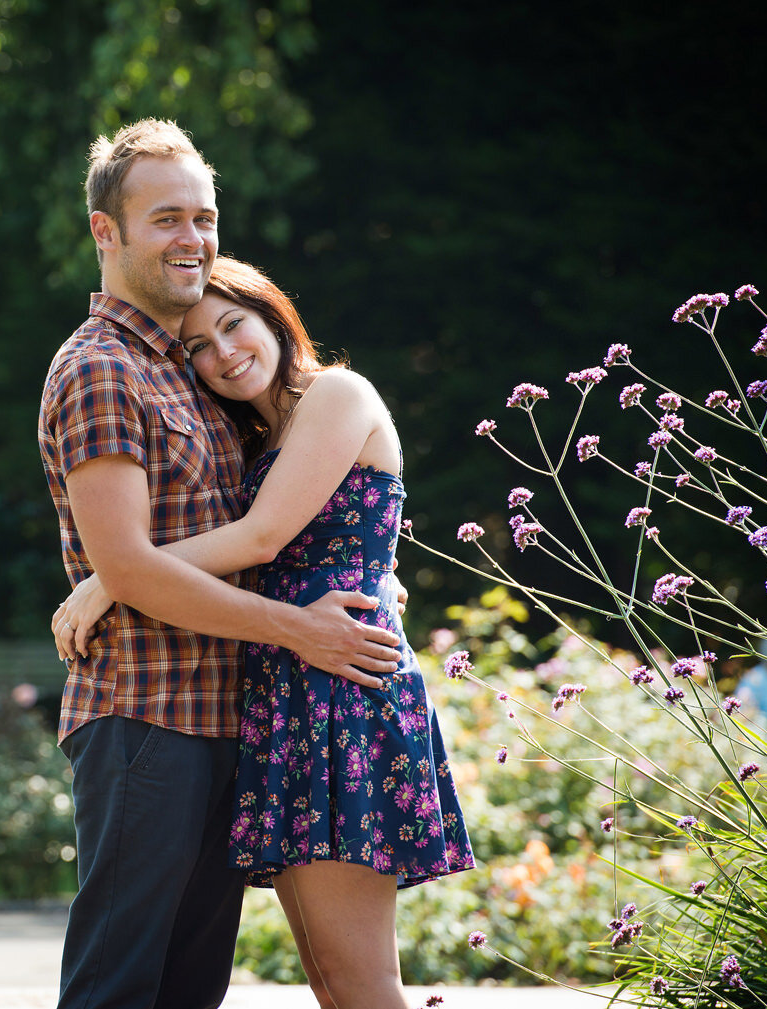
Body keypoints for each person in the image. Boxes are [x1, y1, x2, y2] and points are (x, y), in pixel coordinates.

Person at [37, 119, 404, 1009]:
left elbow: (285, 530)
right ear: (105, 232)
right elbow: (132, 565)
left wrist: (377, 574)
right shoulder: (101, 370)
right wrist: (298, 629)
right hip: (146, 715)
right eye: (166, 218)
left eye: (203, 217)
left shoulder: (193, 380)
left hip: (233, 719)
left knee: (189, 988)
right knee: (118, 987)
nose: (192, 238)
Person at [52, 256, 475, 1009]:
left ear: (275, 316)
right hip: (287, 698)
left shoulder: (338, 392)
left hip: (344, 689)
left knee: (361, 981)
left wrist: (107, 578)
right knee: (333, 980)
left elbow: (262, 539)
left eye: (234, 325)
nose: (223, 354)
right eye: (201, 348)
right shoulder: (255, 434)